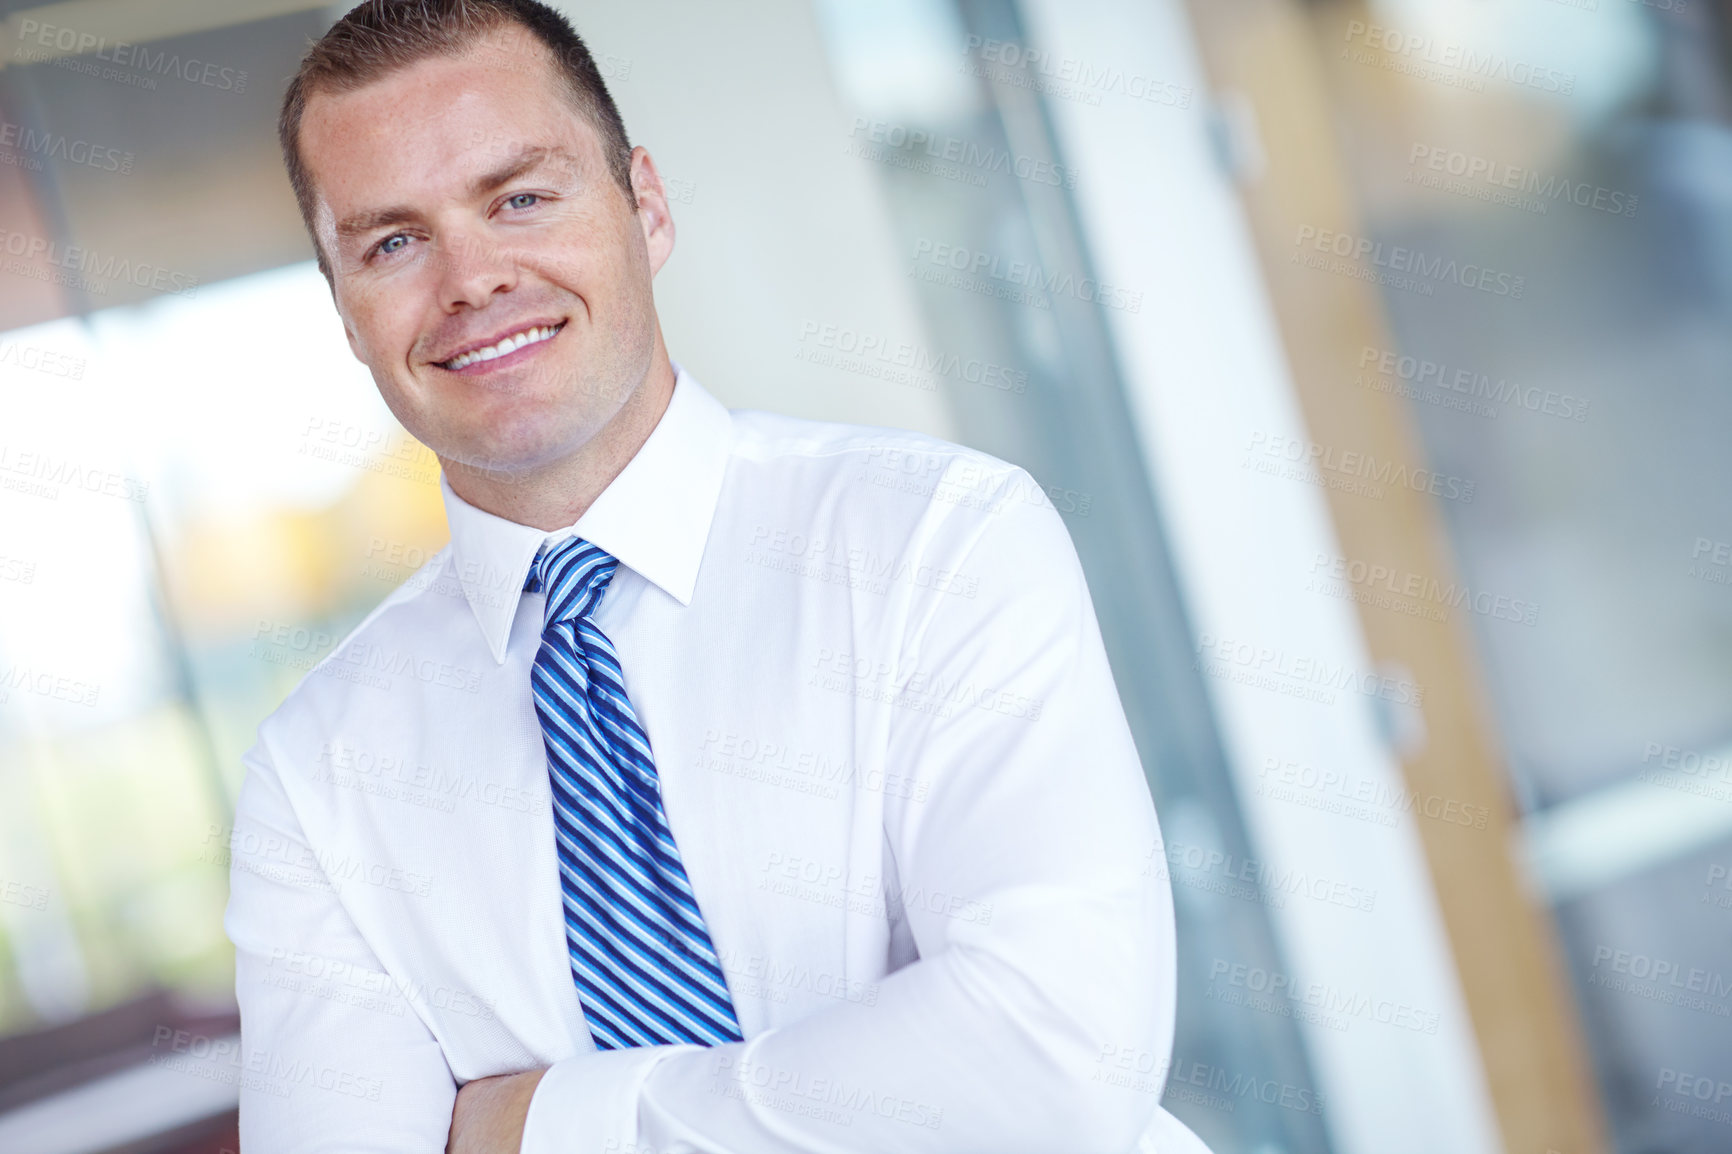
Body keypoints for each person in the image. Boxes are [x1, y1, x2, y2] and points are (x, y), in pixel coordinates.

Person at [223, 2, 1209, 1151]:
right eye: (393, 242)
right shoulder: (317, 776)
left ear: (645, 203)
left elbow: (1052, 1056)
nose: (472, 278)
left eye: (522, 198)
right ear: (344, 309)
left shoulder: (938, 541)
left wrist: (540, 1123)